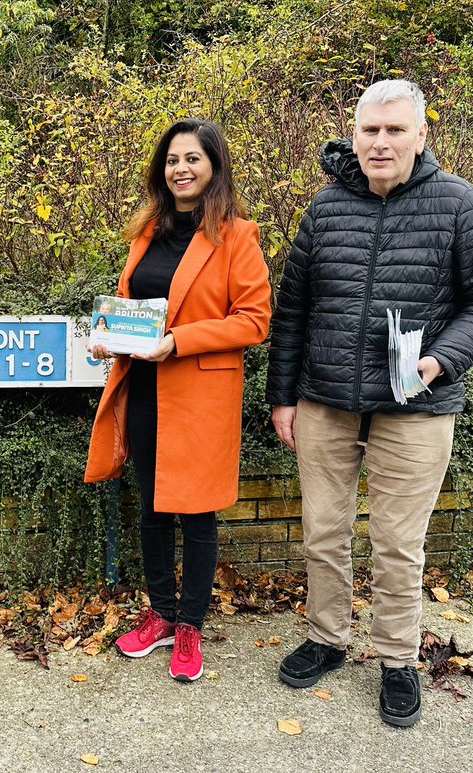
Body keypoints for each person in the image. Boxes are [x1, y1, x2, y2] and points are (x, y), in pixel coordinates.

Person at [266, 80, 473, 726]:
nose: (380, 142)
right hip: (326, 402)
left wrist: (440, 359)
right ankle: (326, 638)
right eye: (370, 130)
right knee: (324, 532)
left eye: (395, 130)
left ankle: (398, 659)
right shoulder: (324, 211)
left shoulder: (458, 203)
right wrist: (281, 397)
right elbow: (291, 311)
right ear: (354, 135)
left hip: (416, 406)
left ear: (421, 135)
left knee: (399, 543)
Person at [85, 119, 272, 682]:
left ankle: (190, 623)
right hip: (143, 387)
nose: (181, 169)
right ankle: (162, 614)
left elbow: (255, 320)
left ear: (214, 167)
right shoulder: (147, 233)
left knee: (196, 513)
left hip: (200, 393)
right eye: (171, 160)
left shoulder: (237, 235)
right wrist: (106, 336)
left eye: (192, 158)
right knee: (151, 507)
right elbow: (128, 305)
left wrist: (179, 341)